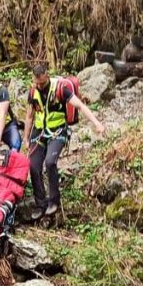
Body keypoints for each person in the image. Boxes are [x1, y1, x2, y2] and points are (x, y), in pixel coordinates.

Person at [23, 64, 105, 219]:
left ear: (47, 75)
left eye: (42, 82)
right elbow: (29, 116)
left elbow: (80, 105)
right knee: (33, 166)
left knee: (50, 162)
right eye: (37, 82)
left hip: (58, 131)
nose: (39, 86)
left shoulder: (60, 88)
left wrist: (97, 123)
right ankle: (40, 204)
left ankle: (54, 201)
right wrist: (26, 138)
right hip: (39, 132)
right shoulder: (33, 91)